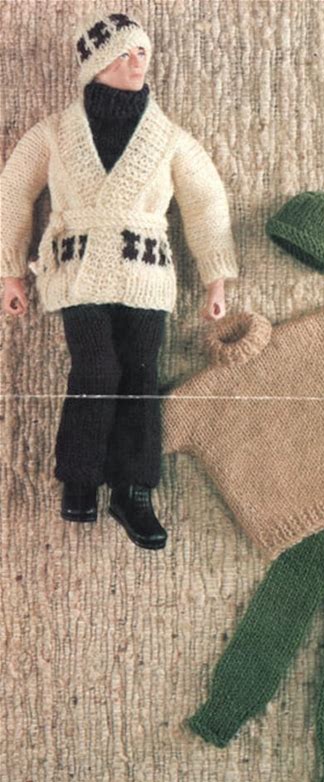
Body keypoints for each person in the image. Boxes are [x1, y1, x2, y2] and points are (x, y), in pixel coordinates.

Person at [0, 10, 239, 550]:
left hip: (144, 273)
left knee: (140, 374)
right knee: (95, 366)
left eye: (143, 54)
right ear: (96, 64)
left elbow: (205, 201)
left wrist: (216, 277)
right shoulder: (55, 132)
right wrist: (11, 270)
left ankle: (134, 491)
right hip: (77, 271)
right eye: (125, 54)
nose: (137, 63)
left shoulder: (168, 137)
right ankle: (80, 478)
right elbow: (14, 189)